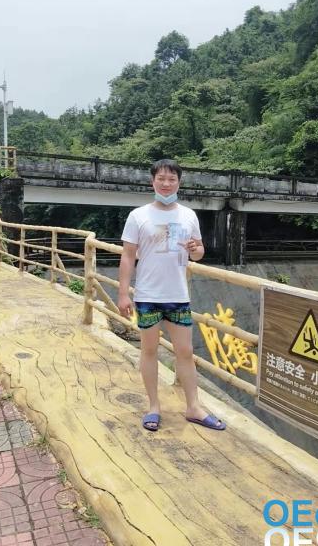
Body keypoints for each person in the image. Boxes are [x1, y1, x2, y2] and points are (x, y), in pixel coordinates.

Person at [118, 159, 226, 432]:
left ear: (179, 182)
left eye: (171, 179)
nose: (166, 184)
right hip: (147, 295)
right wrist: (123, 294)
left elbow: (198, 253)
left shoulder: (188, 215)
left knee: (185, 352)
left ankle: (193, 407)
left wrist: (196, 250)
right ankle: (153, 407)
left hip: (178, 295)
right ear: (152, 181)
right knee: (149, 350)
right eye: (161, 178)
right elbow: (128, 257)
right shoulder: (138, 216)